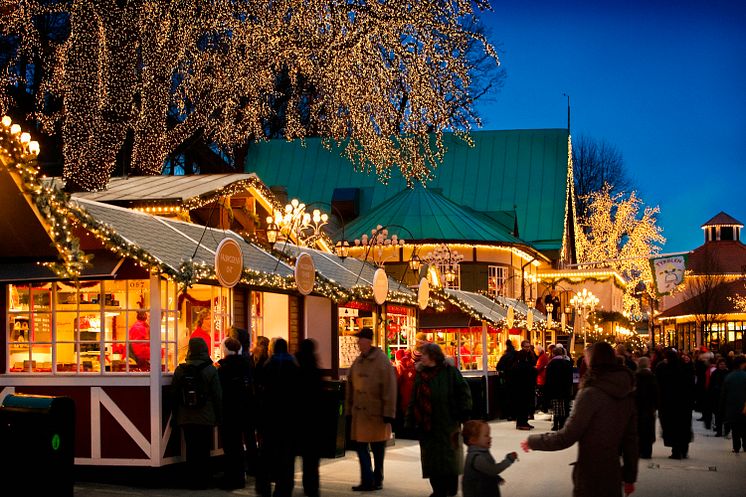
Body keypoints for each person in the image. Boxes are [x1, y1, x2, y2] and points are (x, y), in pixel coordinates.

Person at [520, 342, 638, 497]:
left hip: (590, 474)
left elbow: (567, 436)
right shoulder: (626, 393)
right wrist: (629, 476)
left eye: (587, 358)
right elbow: (631, 440)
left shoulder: (590, 394)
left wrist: (534, 441)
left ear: (594, 361)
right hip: (612, 473)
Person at [406, 342, 472, 497]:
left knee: (449, 458)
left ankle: (450, 488)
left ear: (433, 356)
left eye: (425, 354)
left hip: (448, 423)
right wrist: (409, 420)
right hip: (427, 426)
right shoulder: (420, 375)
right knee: (431, 459)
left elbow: (464, 392)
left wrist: (463, 413)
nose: (421, 356)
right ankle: (438, 490)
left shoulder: (450, 372)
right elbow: (414, 399)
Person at [345, 327, 397, 492]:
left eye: (360, 339)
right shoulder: (358, 361)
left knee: (378, 450)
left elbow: (389, 388)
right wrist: (349, 409)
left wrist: (389, 413)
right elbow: (350, 386)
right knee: (361, 448)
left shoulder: (382, 361)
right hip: (361, 414)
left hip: (376, 414)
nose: (358, 342)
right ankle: (367, 480)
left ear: (368, 340)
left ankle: (377, 478)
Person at [171, 337, 222, 489]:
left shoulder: (180, 370)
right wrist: (219, 416)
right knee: (204, 449)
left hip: (186, 416)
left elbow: (174, 394)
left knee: (191, 449)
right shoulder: (211, 369)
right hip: (205, 416)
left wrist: (175, 415)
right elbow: (217, 395)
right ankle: (204, 480)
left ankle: (192, 480)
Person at [255, 338, 301, 497]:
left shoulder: (268, 365)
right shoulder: (294, 366)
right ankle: (284, 488)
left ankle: (264, 487)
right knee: (287, 458)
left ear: (272, 349)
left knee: (266, 455)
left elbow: (261, 392)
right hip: (289, 420)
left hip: (270, 418)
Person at [217, 336, 254, 490]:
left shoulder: (223, 369)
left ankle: (232, 478)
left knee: (231, 446)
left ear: (225, 350)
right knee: (239, 445)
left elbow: (219, 392)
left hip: (229, 411)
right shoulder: (247, 365)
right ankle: (240, 476)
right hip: (245, 409)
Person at [461, 420, 518, 497]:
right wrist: (509, 460)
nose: (490, 438)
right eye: (486, 435)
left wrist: (495, 478)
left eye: (489, 434)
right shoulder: (476, 457)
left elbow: (485, 470)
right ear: (473, 440)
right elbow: (492, 470)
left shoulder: (482, 452)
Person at [655, 348, 695, 459]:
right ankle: (684, 449)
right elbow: (691, 382)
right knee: (683, 426)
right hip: (684, 403)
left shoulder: (663, 368)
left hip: (669, 403)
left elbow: (659, 384)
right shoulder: (683, 367)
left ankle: (676, 451)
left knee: (672, 427)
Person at [296, 338, 323, 497]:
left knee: (302, 454)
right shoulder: (314, 368)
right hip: (313, 420)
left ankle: (305, 484)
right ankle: (311, 486)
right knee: (312, 458)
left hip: (299, 419)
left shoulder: (296, 368)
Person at [720, 355, 746, 453]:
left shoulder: (728, 377)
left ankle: (736, 447)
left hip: (731, 407)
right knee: (744, 427)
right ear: (742, 364)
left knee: (735, 428)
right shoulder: (745, 376)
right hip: (744, 406)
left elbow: (723, 394)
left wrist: (722, 408)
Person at [634, 356, 659, 459]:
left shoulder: (635, 376)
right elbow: (656, 393)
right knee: (648, 430)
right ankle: (647, 451)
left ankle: (639, 450)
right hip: (649, 408)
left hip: (638, 407)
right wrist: (656, 406)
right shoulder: (651, 376)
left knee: (639, 429)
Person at [544, 344, 573, 431]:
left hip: (554, 389)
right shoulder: (567, 363)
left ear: (553, 354)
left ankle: (556, 424)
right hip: (564, 389)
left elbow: (548, 379)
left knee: (556, 407)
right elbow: (570, 378)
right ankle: (563, 424)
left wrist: (547, 390)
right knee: (564, 407)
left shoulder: (551, 364)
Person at [511, 345, 537, 430]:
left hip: (517, 389)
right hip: (526, 388)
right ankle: (523, 422)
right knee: (525, 406)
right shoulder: (527, 366)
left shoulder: (515, 365)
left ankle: (521, 422)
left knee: (519, 406)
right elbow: (533, 375)